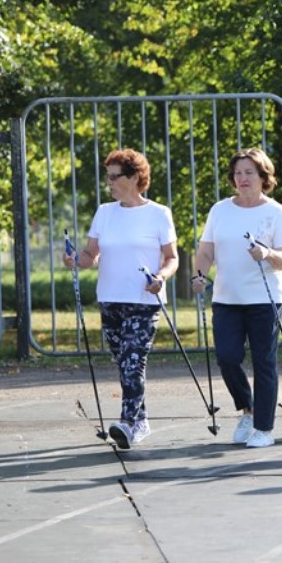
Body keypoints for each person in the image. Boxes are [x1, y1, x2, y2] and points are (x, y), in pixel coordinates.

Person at [63, 148, 179, 450]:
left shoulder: (158, 214)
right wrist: (75, 259)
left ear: (135, 177)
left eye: (115, 177)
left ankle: (127, 423)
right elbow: (91, 255)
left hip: (144, 299)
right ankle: (141, 419)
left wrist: (161, 277)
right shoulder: (105, 212)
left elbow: (172, 258)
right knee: (123, 361)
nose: (109, 182)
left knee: (132, 360)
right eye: (108, 176)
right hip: (110, 298)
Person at [192, 147, 282, 449]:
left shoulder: (276, 212)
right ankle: (247, 408)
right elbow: (206, 250)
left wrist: (267, 253)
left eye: (249, 172)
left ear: (263, 176)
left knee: (264, 361)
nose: (242, 178)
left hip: (265, 299)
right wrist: (199, 275)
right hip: (227, 298)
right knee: (227, 357)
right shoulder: (220, 210)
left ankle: (264, 428)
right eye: (238, 173)